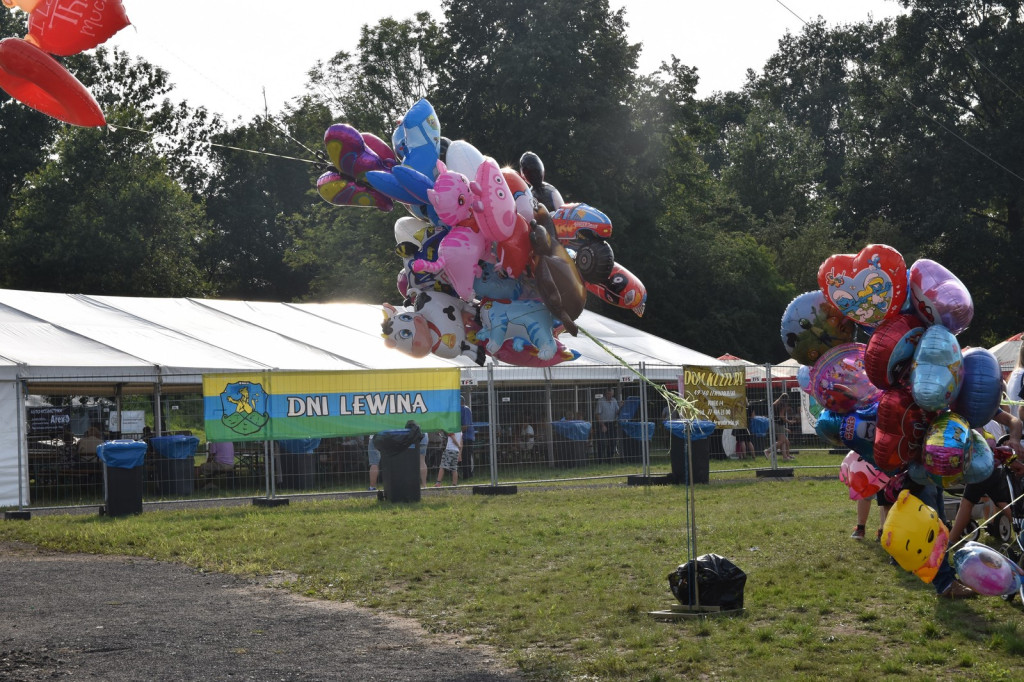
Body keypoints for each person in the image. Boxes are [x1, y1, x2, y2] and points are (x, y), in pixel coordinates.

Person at [767, 393, 795, 461]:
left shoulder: (775, 403)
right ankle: (768, 451)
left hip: (776, 423)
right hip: (779, 424)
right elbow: (781, 416)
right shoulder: (782, 404)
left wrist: (785, 429)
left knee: (786, 441)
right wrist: (789, 422)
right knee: (782, 441)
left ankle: (786, 456)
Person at [595, 388, 620, 462]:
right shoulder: (600, 401)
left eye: (611, 394)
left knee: (613, 441)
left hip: (612, 423)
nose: (610, 395)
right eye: (609, 394)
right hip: (602, 424)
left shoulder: (614, 400)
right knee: (601, 442)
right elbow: (597, 414)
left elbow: (617, 412)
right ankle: (600, 460)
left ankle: (609, 459)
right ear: (606, 394)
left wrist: (621, 406)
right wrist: (602, 425)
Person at [460, 395, 475, 481]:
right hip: (462, 437)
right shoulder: (461, 410)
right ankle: (466, 474)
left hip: (466, 437)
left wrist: (455, 430)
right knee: (463, 457)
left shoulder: (465, 409)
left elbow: (465, 426)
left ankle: (468, 475)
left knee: (466, 457)